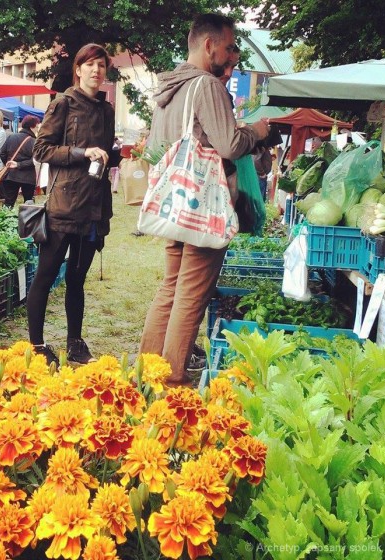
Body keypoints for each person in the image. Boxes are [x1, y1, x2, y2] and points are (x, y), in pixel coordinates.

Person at [139, 13, 269, 386]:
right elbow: (228, 144)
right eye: (229, 48)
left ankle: (148, 373)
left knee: (170, 286)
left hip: (174, 202)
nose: (231, 57)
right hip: (203, 206)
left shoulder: (168, 89)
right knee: (191, 294)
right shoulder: (206, 86)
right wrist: (256, 132)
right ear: (209, 45)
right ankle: (172, 379)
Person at [29, 43, 119, 366]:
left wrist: (115, 155)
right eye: (90, 64)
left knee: (77, 280)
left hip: (93, 209)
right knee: (46, 274)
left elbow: (106, 151)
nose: (97, 70)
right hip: (63, 208)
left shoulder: (108, 111)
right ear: (78, 70)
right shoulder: (62, 104)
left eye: (101, 66)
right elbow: (41, 150)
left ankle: (75, 344)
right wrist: (82, 153)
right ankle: (37, 346)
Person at [0, 115, 41, 209]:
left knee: (8, 203)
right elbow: (36, 160)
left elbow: (2, 154)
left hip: (11, 175)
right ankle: (27, 222)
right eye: (37, 127)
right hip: (28, 177)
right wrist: (19, 164)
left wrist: (10, 163)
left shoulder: (11, 137)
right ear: (32, 127)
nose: (37, 129)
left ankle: (4, 221)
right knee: (29, 203)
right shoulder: (34, 142)